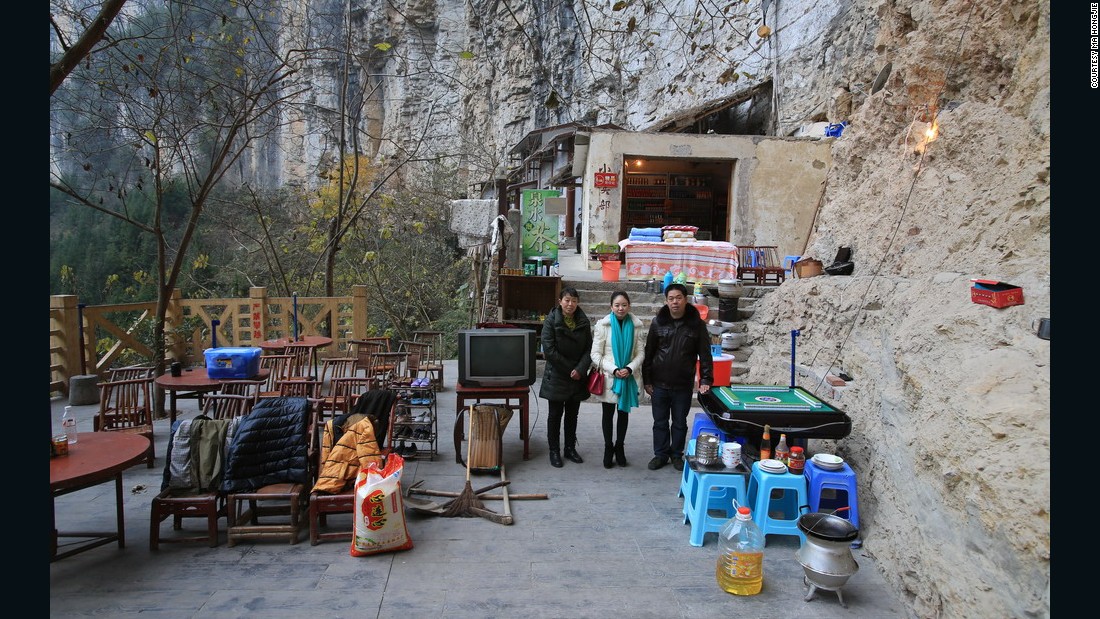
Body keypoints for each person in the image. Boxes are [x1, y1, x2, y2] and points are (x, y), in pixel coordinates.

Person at [641, 282, 713, 471]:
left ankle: (676, 455)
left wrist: (705, 379)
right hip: (659, 384)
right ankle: (660, 454)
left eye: (678, 298)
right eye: (671, 299)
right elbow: (649, 352)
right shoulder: (658, 323)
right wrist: (647, 379)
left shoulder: (696, 324)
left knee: (680, 423)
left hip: (682, 384)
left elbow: (705, 354)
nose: (675, 302)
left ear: (686, 300)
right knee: (660, 422)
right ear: (666, 301)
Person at [539, 286, 594, 468]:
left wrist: (580, 369)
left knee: (573, 414)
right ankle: (554, 450)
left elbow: (589, 348)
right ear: (560, 301)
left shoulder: (583, 321)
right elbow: (549, 350)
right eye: (567, 300)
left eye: (574, 301)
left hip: (577, 375)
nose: (570, 304)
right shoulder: (551, 321)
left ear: (578, 303)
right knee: (555, 415)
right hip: (557, 374)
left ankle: (569, 448)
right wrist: (571, 368)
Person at [590, 291, 645, 468]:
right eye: (617, 305)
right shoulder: (603, 325)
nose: (620, 308)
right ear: (611, 307)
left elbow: (640, 353)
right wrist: (614, 369)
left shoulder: (636, 326)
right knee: (607, 414)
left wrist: (629, 368)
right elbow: (595, 354)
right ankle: (608, 447)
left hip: (628, 376)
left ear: (629, 306)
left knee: (623, 413)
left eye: (624, 305)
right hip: (610, 377)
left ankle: (619, 447)